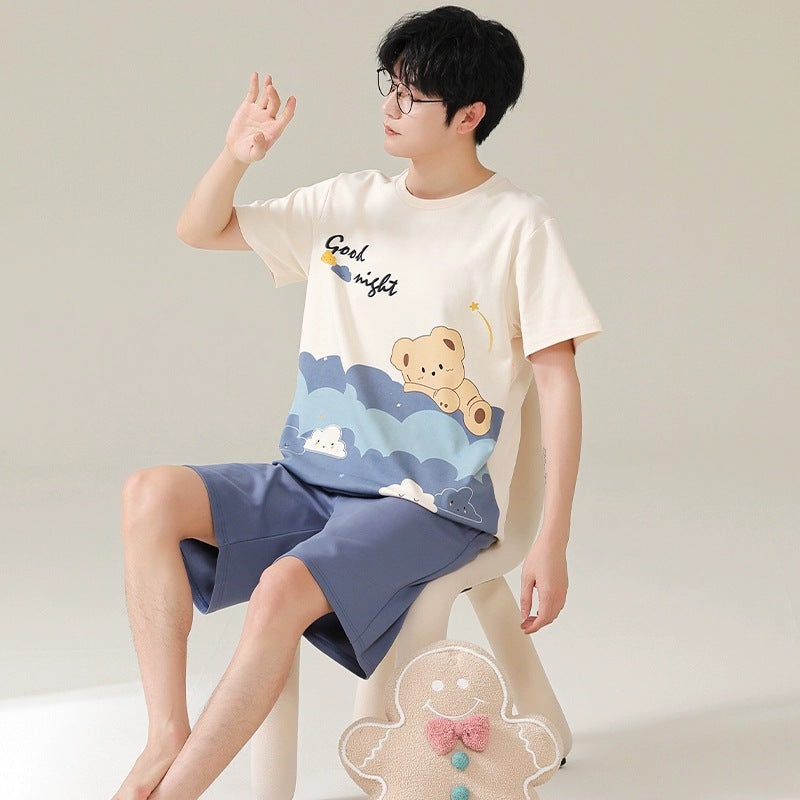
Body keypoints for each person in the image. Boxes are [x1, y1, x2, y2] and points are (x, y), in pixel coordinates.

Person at [113, 6, 602, 799]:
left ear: (469, 116)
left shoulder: (517, 224)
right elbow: (200, 229)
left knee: (282, 588)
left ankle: (171, 793)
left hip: (430, 504)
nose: (391, 106)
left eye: (412, 95)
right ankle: (165, 733)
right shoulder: (347, 201)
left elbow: (559, 383)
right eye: (391, 86)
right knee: (148, 495)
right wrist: (237, 156)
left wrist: (552, 539)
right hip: (311, 479)